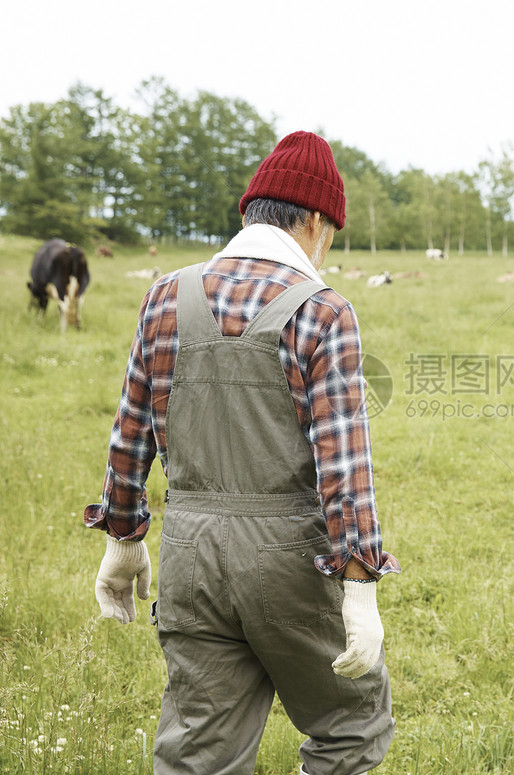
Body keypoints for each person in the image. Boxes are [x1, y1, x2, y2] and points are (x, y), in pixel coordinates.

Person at [85, 131, 400, 775]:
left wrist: (123, 542)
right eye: (330, 233)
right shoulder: (324, 312)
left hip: (190, 555)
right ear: (313, 220)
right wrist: (360, 588)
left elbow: (130, 429)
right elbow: (345, 464)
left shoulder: (166, 296)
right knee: (350, 729)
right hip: (289, 558)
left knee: (199, 752)